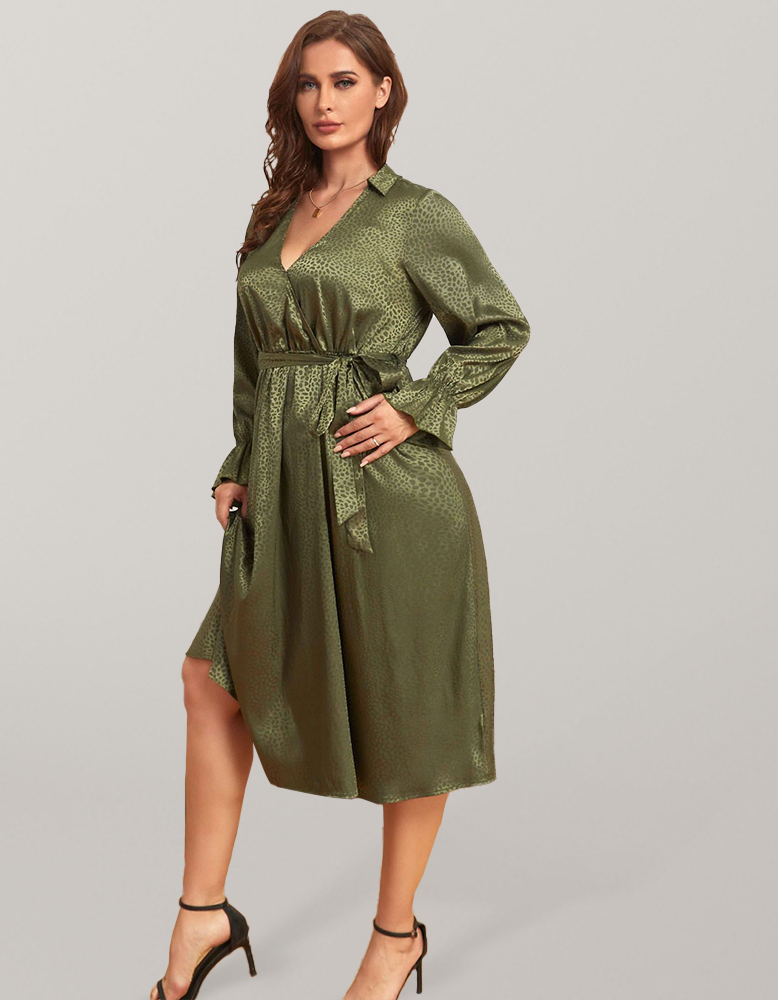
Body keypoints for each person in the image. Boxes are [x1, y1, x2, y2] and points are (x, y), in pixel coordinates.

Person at [151, 12, 531, 1000]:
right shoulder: (276, 215)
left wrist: (417, 407)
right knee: (211, 678)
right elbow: (254, 363)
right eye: (309, 84)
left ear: (383, 93)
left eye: (346, 82)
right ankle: (202, 914)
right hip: (281, 491)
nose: (325, 101)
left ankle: (394, 937)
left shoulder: (415, 214)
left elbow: (498, 326)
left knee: (409, 709)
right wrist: (238, 460)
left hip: (388, 499)